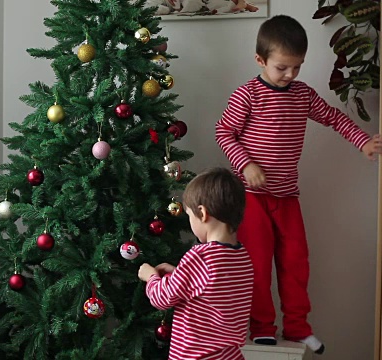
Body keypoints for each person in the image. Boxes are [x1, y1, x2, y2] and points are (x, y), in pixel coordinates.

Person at [215, 14, 382, 354]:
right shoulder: (247, 95)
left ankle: (297, 328)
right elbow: (224, 132)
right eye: (282, 68)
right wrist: (245, 164)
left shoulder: (301, 94)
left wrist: (362, 141)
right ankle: (262, 326)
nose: (290, 75)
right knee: (257, 265)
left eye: (297, 67)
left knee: (295, 263)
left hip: (287, 197)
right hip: (251, 198)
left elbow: (333, 117)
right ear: (260, 60)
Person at [138, 168, 253, 360]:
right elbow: (211, 290)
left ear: (203, 213)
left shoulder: (201, 256)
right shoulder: (241, 257)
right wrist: (178, 274)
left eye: (190, 216)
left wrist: (150, 277)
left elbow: (163, 298)